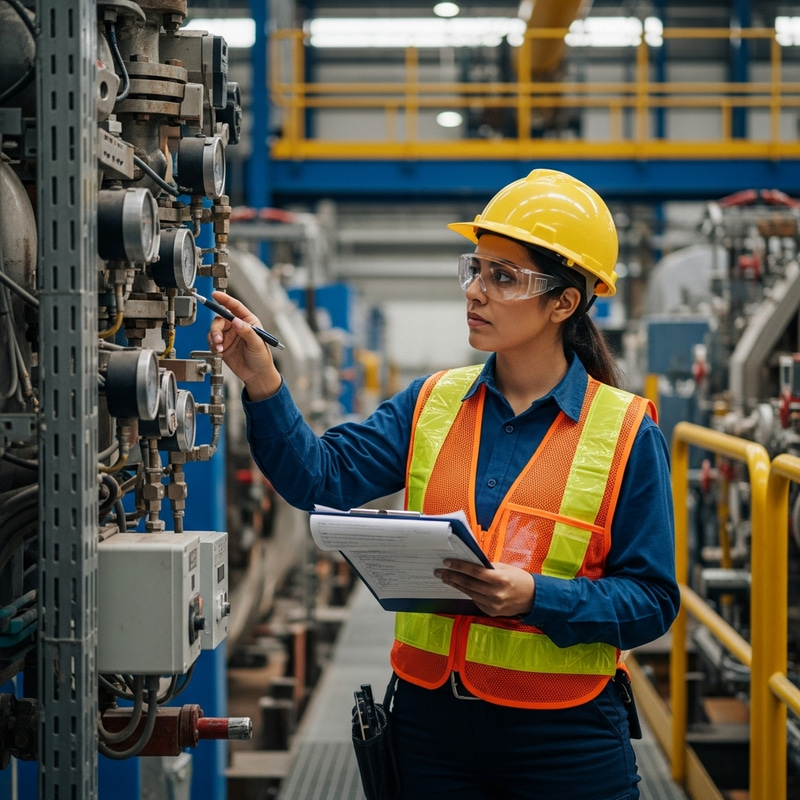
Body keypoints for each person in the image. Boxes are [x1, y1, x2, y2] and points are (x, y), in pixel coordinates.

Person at [208, 168, 680, 800]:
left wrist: (536, 597)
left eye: (503, 277)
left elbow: (652, 600)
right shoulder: (432, 402)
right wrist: (263, 382)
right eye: (475, 269)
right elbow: (320, 477)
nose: (475, 293)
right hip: (429, 731)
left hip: (565, 739)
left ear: (564, 302)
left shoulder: (624, 431)